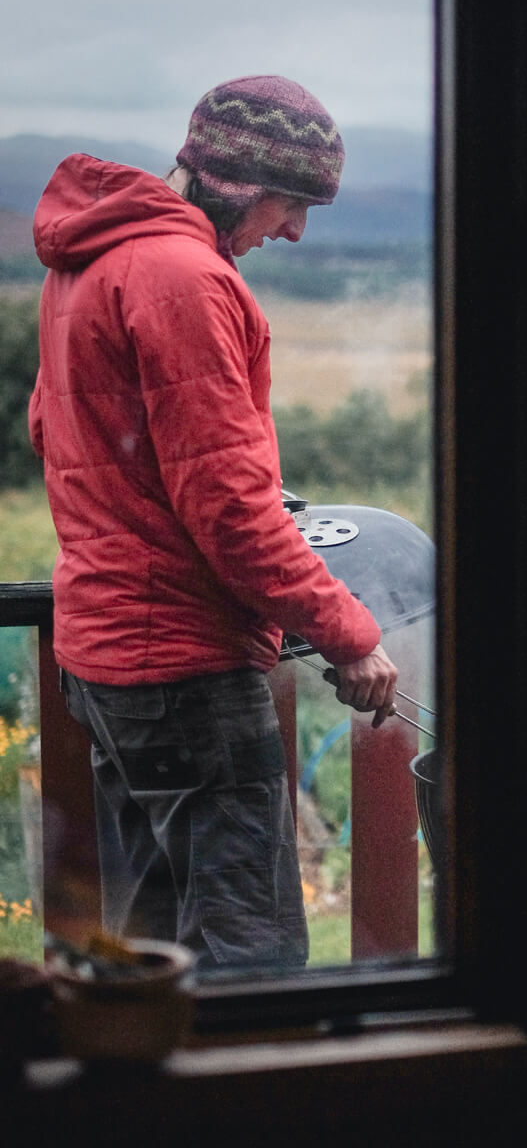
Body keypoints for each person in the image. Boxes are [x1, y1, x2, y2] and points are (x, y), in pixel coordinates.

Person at [28, 75, 398, 969]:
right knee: (251, 954)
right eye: (291, 202)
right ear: (236, 180)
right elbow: (230, 511)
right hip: (184, 670)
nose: (297, 229)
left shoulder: (90, 262)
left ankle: (153, 1108)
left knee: (150, 950)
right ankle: (251, 1108)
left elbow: (57, 431)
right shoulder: (183, 276)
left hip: (108, 660)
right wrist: (350, 634)